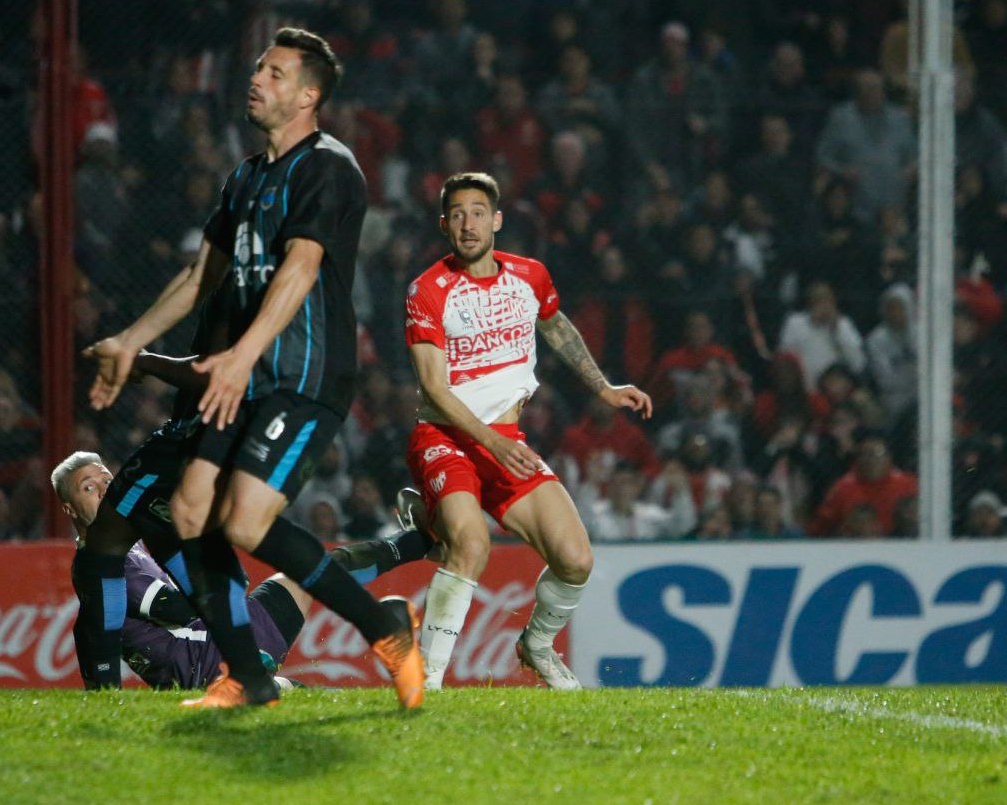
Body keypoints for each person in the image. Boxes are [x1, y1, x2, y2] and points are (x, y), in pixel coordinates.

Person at [79, 28, 423, 708]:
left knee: (241, 522)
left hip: (302, 374)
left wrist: (240, 354)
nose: (255, 78)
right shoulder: (245, 176)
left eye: (273, 71)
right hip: (245, 376)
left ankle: (384, 626)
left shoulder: (330, 167)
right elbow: (202, 270)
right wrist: (131, 338)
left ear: (308, 94)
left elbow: (301, 267)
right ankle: (249, 676)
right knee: (187, 508)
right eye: (257, 68)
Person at [403, 172, 652, 690]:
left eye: (477, 212)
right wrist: (491, 441)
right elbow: (434, 387)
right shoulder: (428, 290)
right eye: (456, 214)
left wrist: (603, 387)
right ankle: (425, 681)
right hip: (445, 438)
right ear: (443, 224)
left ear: (496, 220)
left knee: (576, 559)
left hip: (506, 442)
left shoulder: (529, 275)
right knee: (472, 545)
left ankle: (535, 645)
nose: (467, 224)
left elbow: (556, 325)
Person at [52, 450, 433, 691]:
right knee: (315, 581)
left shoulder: (132, 541)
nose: (104, 490)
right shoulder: (103, 564)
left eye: (106, 480)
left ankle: (420, 541)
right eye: (89, 488)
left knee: (317, 571)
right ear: (70, 509)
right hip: (207, 662)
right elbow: (179, 609)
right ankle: (421, 543)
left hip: (219, 642)